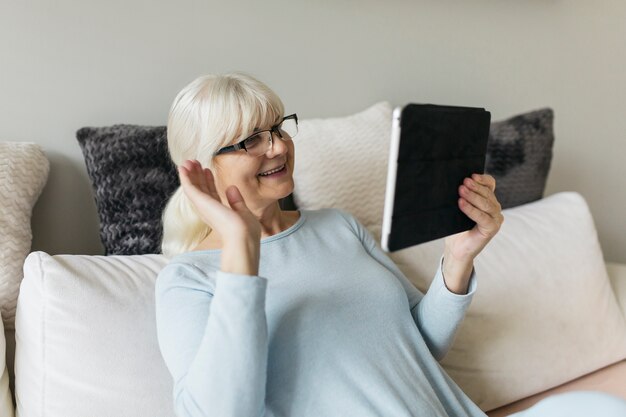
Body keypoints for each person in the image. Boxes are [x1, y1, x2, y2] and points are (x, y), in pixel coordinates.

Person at [154, 73, 626, 417]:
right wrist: (241, 244)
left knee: (597, 408)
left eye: (278, 128)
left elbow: (421, 343)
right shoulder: (187, 279)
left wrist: (459, 255)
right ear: (200, 166)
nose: (276, 147)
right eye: (251, 140)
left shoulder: (338, 227)